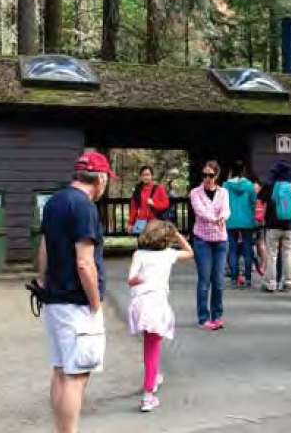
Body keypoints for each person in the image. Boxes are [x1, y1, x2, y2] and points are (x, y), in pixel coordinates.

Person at [33, 151, 114, 432]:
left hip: (54, 299)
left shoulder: (55, 201)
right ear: (100, 179)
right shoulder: (84, 206)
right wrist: (95, 303)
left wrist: (43, 281)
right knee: (76, 376)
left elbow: (43, 247)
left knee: (60, 371)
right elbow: (84, 261)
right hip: (76, 302)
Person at [125, 220, 191, 412]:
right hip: (157, 304)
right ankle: (148, 396)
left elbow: (131, 279)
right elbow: (190, 252)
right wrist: (178, 234)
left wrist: (139, 280)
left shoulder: (138, 254)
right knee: (152, 348)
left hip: (140, 305)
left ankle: (154, 377)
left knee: (149, 346)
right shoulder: (169, 254)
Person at [189, 161, 230, 331]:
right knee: (204, 279)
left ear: (217, 176)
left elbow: (227, 210)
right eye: (204, 175)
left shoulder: (223, 192)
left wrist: (222, 217)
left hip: (220, 239)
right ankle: (203, 317)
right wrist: (214, 219)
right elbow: (200, 211)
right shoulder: (195, 193)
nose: (207, 178)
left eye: (211, 175)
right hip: (202, 239)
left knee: (218, 280)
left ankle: (217, 315)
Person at [259, 161, 291, 293]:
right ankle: (288, 282)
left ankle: (271, 282)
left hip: (272, 226)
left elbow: (260, 197)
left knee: (272, 255)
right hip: (289, 226)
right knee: (287, 254)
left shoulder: (270, 186)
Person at [223, 162, 260, 288]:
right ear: (244, 170)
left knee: (232, 250)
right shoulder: (249, 185)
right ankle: (248, 278)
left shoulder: (226, 186)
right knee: (247, 249)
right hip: (247, 220)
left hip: (231, 220)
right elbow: (254, 202)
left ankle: (234, 278)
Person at [129, 167, 170, 235]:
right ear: (140, 177)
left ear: (152, 176)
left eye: (148, 175)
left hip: (155, 223)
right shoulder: (137, 190)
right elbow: (133, 208)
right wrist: (130, 224)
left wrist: (154, 204)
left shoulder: (159, 188)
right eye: (143, 175)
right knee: (142, 244)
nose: (145, 177)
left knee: (154, 244)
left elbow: (166, 204)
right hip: (140, 223)